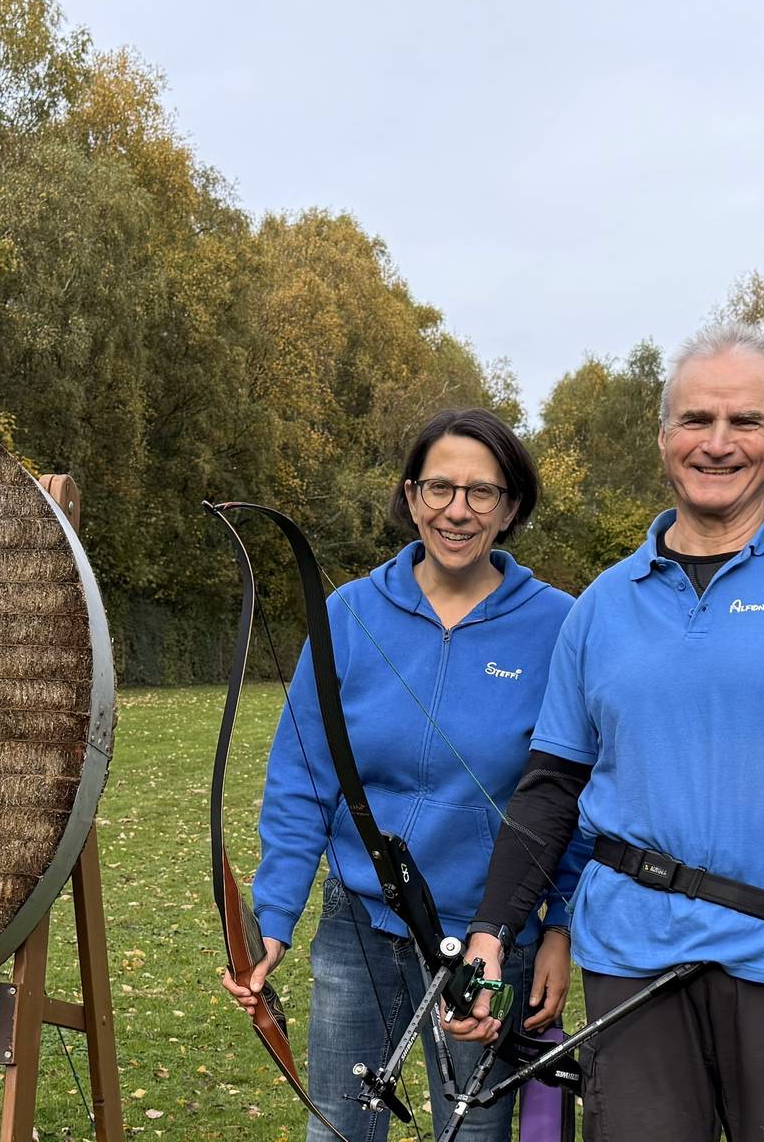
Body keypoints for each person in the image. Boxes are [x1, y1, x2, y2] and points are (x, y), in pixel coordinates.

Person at [447, 323, 764, 1139]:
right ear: (663, 437)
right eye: (696, 421)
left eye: (745, 422)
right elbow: (550, 790)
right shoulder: (603, 606)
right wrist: (489, 934)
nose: (718, 443)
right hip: (631, 960)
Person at [220, 407, 589, 1142]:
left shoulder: (560, 627)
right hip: (358, 924)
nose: (458, 511)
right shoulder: (351, 613)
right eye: (439, 488)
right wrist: (274, 915)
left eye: (482, 492)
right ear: (411, 495)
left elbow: (573, 792)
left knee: (472, 1134)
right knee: (339, 1133)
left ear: (511, 507)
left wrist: (559, 929)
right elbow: (302, 775)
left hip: (488, 943)